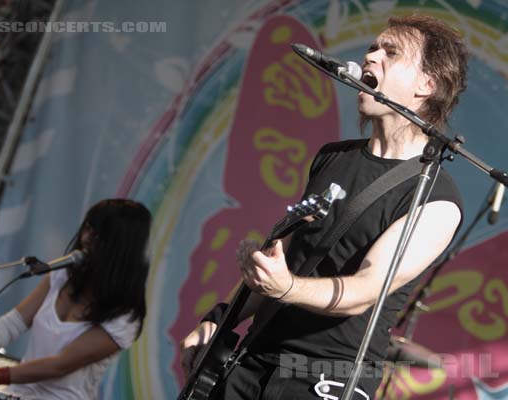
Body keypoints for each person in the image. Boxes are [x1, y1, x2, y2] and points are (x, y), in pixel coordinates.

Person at [181, 15, 468, 400]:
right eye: (372, 47)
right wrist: (220, 318)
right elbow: (288, 261)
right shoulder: (332, 158)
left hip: (326, 379)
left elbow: (366, 289)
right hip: (254, 359)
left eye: (391, 52)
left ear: (426, 85)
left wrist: (286, 287)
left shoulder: (436, 197)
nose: (371, 57)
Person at [0, 198, 151, 399]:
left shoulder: (125, 318)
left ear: (119, 251)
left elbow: (60, 364)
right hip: (16, 392)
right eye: (87, 227)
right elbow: (12, 324)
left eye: (98, 235)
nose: (86, 237)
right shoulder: (62, 274)